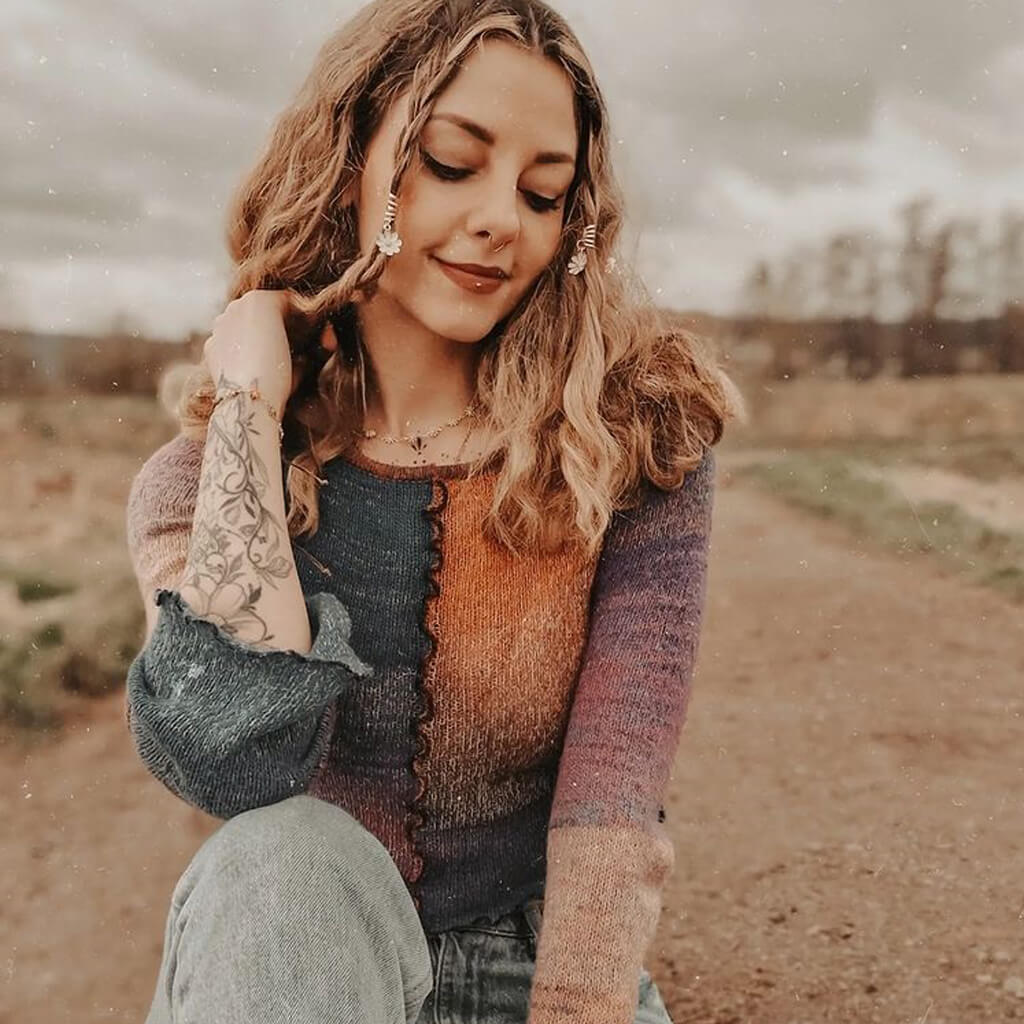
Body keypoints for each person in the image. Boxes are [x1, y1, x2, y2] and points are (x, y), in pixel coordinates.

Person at [123, 1, 746, 1022]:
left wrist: (577, 1003)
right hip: (303, 964)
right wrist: (249, 407)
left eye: (544, 190)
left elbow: (614, 789)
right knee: (283, 849)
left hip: (531, 958)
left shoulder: (629, 439)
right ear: (346, 161)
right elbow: (231, 754)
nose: (505, 216)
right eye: (455, 162)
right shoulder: (204, 481)